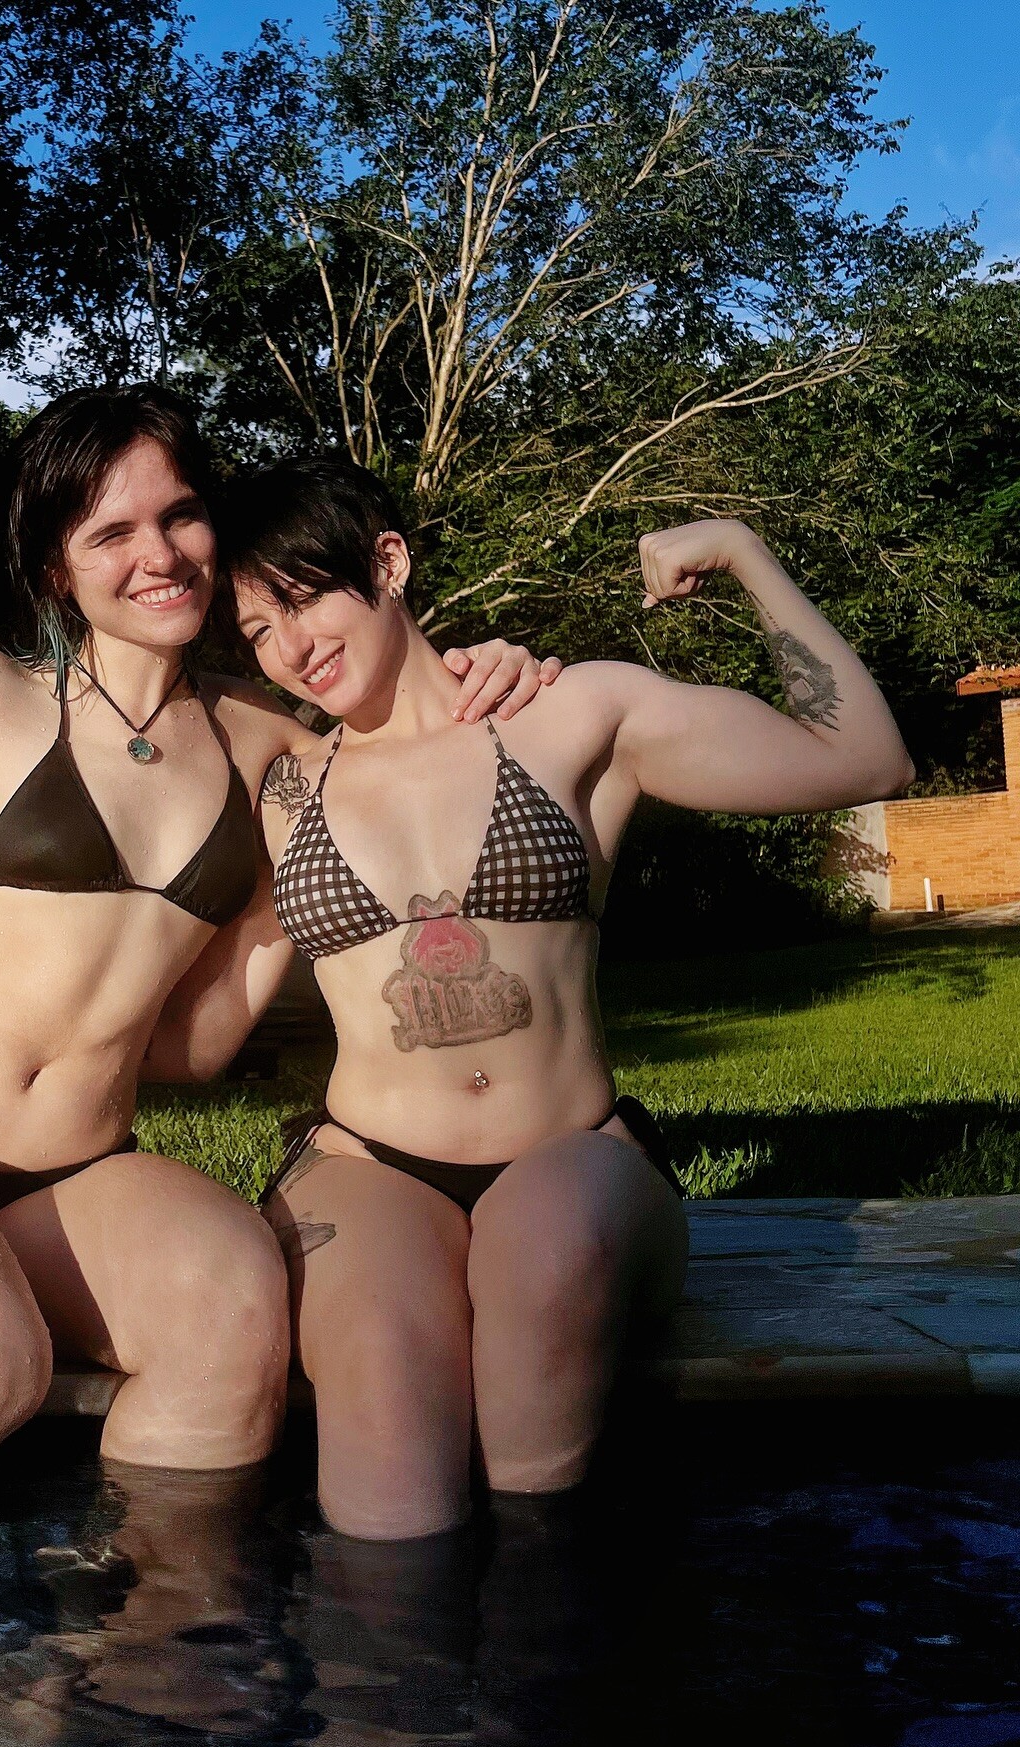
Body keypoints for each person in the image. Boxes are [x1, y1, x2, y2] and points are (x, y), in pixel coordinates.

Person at [0, 387, 552, 1509]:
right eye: (111, 532)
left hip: (72, 1175)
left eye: (180, 516)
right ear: (56, 570)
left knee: (236, 1311)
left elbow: (199, 1039)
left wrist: (497, 670)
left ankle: (150, 1605)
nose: (157, 555)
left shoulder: (270, 746)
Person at [146, 457, 914, 1541]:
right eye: (260, 630)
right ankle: (390, 1647)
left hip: (572, 1151)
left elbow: (865, 760)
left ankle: (539, 1625)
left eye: (305, 597)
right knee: (383, 1445)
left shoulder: (570, 714)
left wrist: (743, 552)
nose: (291, 647)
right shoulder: (286, 789)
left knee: (543, 1274)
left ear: (389, 563)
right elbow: (191, 1038)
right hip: (368, 1163)